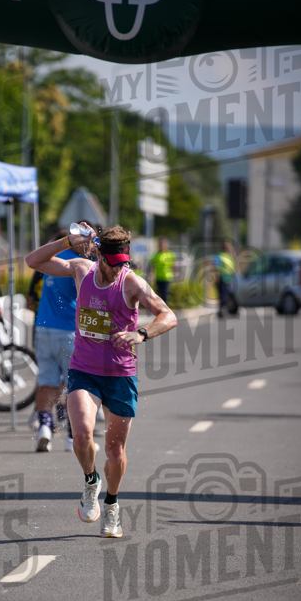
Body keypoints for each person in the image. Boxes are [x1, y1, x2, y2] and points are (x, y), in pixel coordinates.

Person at [26, 224, 177, 537]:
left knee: (115, 451)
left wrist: (141, 333)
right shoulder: (82, 270)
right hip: (84, 369)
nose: (118, 268)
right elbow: (33, 262)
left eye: (123, 262)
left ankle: (112, 504)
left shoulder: (132, 282)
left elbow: (168, 315)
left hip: (121, 374)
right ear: (99, 256)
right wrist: (68, 241)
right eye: (113, 263)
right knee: (81, 433)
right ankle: (90, 482)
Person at [33, 224, 94, 453]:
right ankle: (71, 436)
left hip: (43, 327)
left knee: (47, 382)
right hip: (69, 329)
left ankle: (45, 427)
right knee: (74, 384)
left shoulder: (56, 257)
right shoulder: (80, 265)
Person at [147, 237, 175, 304]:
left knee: (164, 293)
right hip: (158, 276)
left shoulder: (169, 254)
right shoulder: (156, 254)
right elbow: (151, 264)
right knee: (159, 294)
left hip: (167, 276)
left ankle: (165, 307)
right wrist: (151, 273)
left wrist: (175, 274)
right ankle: (160, 307)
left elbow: (173, 265)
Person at [214, 241, 237, 318]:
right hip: (222, 278)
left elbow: (232, 266)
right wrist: (216, 278)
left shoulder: (229, 255)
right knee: (223, 296)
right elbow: (216, 268)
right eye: (226, 246)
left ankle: (223, 310)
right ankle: (221, 311)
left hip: (228, 278)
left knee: (226, 295)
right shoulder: (219, 255)